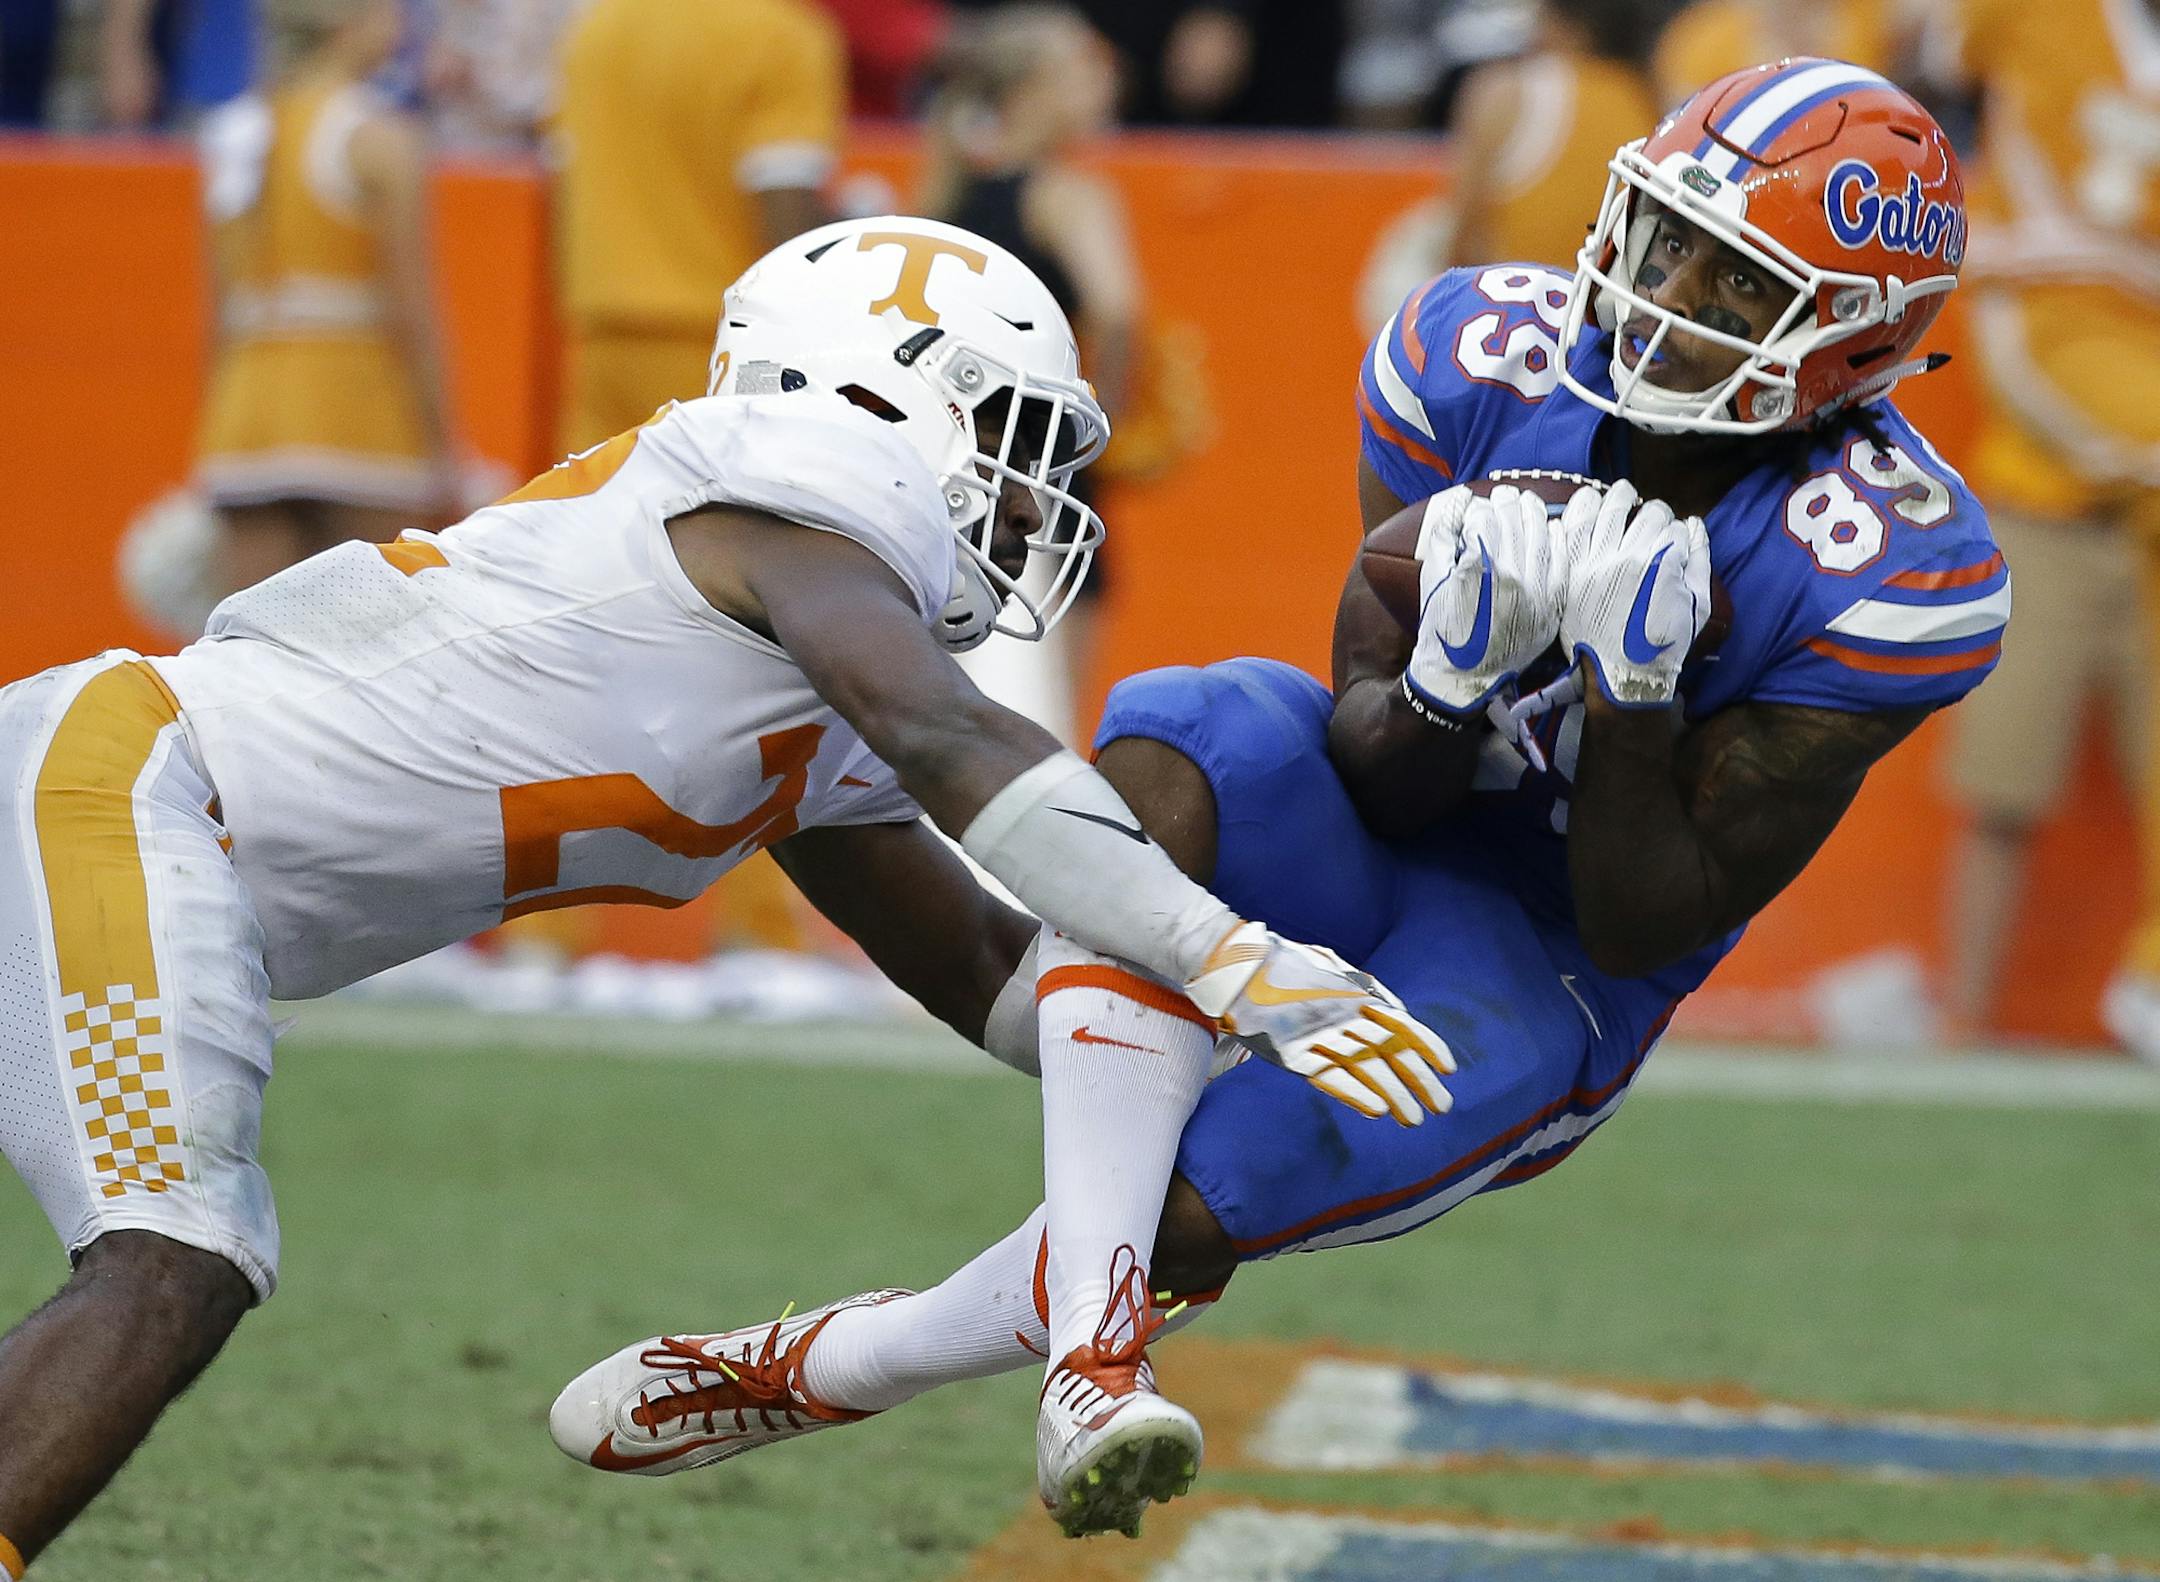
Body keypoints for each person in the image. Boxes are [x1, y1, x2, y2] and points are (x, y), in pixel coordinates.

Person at [549, 59, 2008, 1542]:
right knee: (1185, 728)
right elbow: (1373, 762)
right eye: (1665, 234)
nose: (1664, 287)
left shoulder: (1883, 564)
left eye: (1733, 278)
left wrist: (1635, 709)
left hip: (1553, 957)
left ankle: (837, 1361)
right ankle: (1096, 1363)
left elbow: (1644, 924)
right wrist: (1450, 676)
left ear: (1851, 339)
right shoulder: (1486, 352)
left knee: (1186, 1206)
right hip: (1387, 822)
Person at [0, 214, 1452, 1577]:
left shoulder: (810, 668)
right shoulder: (799, 480)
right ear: (881, 398)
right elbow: (957, 741)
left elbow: (998, 971)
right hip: (129, 788)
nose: (1034, 497)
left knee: (173, 1251)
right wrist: (1227, 949)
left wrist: (1223, 1074)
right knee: (173, 1254)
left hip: (137, 822)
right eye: (1013, 438)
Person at [549, 0, 846, 958]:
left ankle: (542, 932)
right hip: (723, 356)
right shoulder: (779, 38)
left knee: (582, 636)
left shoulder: (599, 29)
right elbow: (783, 206)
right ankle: (759, 933)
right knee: (754, 642)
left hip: (601, 337)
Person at [1914, 0, 2160, 1055]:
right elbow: (1928, 50)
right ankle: (1960, 1021)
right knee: (2002, 786)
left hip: (2138, 488)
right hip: (2048, 497)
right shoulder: (2040, 17)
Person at [193, 0, 463, 603]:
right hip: (358, 416)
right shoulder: (380, 139)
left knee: (249, 657)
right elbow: (413, 310)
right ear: (351, 23)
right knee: (378, 647)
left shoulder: (231, 134)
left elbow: (217, 317)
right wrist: (445, 446)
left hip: (245, 423)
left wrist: (217, 429)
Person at [921, 4, 1141, 744]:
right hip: (1048, 459)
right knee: (1049, 701)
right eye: (1083, 70)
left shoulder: (944, 191)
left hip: (953, 449)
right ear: (1034, 89)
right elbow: (1118, 310)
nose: (1105, 85)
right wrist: (1107, 418)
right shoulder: (1069, 195)